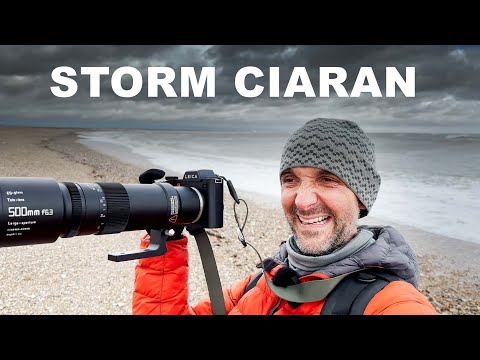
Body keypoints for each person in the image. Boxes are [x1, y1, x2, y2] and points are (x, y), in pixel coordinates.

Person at [131, 117, 437, 315]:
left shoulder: (388, 302)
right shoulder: (262, 282)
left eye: (327, 179)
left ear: (361, 198)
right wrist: (166, 237)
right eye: (290, 180)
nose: (303, 202)